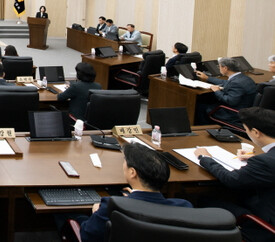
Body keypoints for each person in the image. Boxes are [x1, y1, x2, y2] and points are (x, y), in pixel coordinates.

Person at [76, 143, 192, 242]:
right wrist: (134, 197)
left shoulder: (112, 206)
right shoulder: (184, 207)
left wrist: (96, 213)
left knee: (75, 216)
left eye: (124, 162)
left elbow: (87, 236)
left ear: (132, 172)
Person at [195, 107, 275, 241]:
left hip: (266, 224)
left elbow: (231, 179)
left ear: (256, 132)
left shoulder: (265, 162)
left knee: (202, 199)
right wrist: (256, 158)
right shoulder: (267, 160)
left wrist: (205, 158)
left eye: (246, 129)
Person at [195, 57, 258, 125]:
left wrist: (217, 91)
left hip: (234, 113)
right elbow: (225, 82)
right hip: (245, 108)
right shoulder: (244, 78)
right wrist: (207, 78)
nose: (219, 68)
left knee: (201, 107)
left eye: (219, 66)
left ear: (225, 68)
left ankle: (206, 128)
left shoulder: (236, 83)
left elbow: (230, 101)